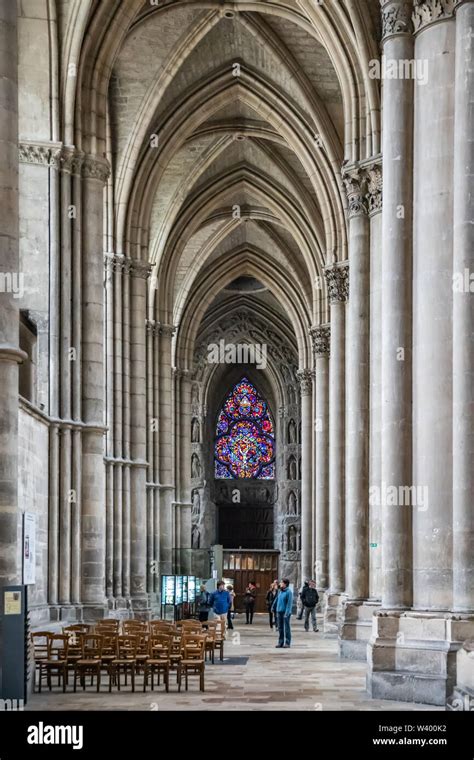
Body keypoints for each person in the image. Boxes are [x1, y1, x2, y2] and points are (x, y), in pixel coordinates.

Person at [272, 579, 293, 648]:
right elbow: (277, 599)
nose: (280, 584)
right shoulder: (280, 591)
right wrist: (273, 607)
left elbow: (289, 604)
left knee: (286, 628)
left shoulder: (288, 592)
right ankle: (280, 642)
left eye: (281, 583)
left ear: (285, 584)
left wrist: (287, 613)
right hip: (279, 611)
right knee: (280, 628)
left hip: (285, 612)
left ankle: (287, 643)